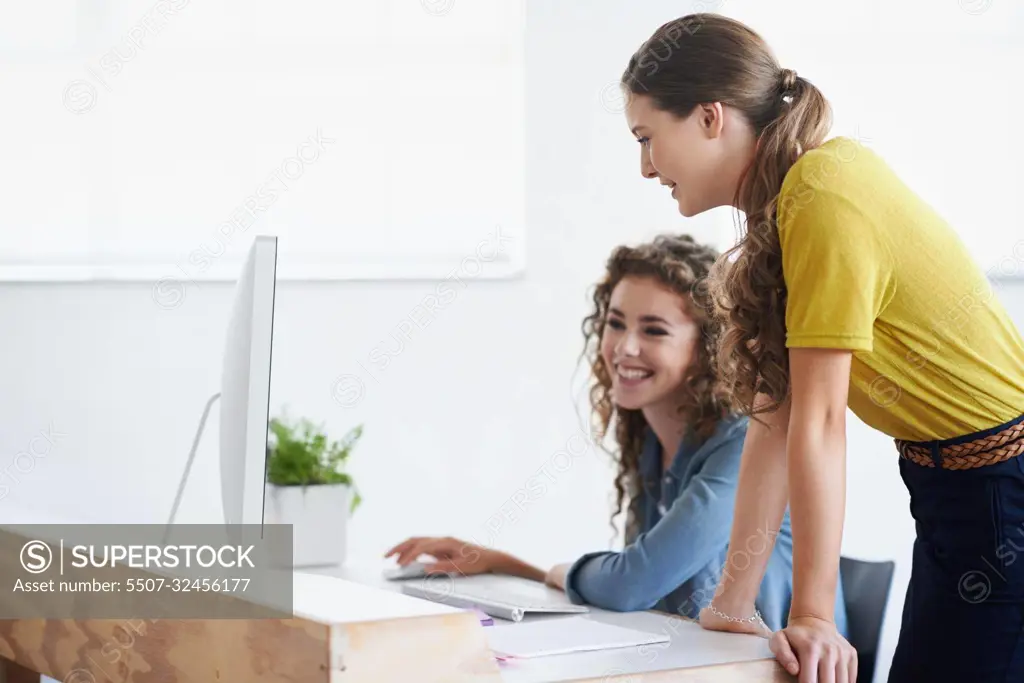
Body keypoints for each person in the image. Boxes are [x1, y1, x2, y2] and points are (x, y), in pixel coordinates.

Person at [617, 12, 1024, 683]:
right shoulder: (785, 213)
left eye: (647, 138)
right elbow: (773, 423)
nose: (644, 167)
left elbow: (821, 422)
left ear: (710, 118)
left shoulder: (822, 195)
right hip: (952, 490)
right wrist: (734, 603)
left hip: (1001, 490)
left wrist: (813, 613)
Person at [386, 234, 844, 632]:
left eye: (654, 330)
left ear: (706, 349)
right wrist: (502, 565)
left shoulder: (742, 442)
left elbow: (633, 584)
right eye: (616, 323)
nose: (625, 347)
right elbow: (642, 589)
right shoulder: (650, 443)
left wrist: (533, 570)